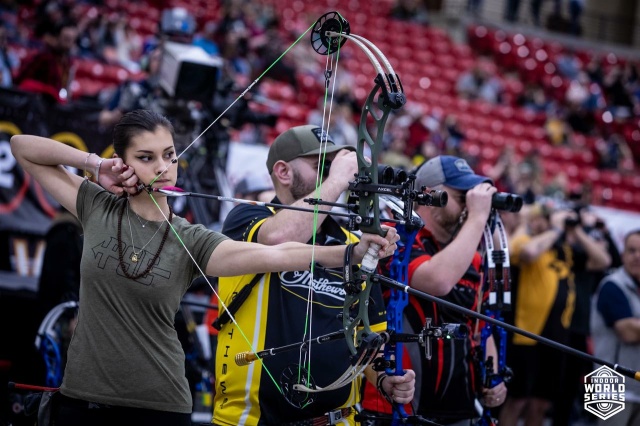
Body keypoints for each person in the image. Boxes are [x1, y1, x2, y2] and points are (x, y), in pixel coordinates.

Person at [9, 110, 399, 426]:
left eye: (169, 155)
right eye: (145, 158)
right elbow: (20, 146)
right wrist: (94, 164)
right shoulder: (96, 206)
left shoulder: (191, 239)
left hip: (158, 407)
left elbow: (275, 255)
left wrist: (348, 254)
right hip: (81, 400)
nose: (163, 167)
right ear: (122, 162)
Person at [215, 124, 415, 425]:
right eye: (319, 166)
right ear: (283, 172)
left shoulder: (354, 244)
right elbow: (279, 239)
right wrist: (335, 180)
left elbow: (366, 339)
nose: (335, 174)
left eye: (333, 167)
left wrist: (385, 380)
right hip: (253, 418)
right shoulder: (249, 217)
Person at [361, 155, 508, 425]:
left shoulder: (472, 259)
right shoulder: (393, 238)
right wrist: (477, 217)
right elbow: (437, 280)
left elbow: (480, 326)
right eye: (461, 195)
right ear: (430, 193)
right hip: (399, 406)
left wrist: (493, 378)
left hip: (461, 409)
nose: (469, 202)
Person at [499, 203, 610, 426]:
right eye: (542, 218)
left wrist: (575, 230)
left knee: (540, 403)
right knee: (517, 400)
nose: (545, 222)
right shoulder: (526, 240)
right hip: (527, 334)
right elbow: (529, 253)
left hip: (557, 336)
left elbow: (603, 261)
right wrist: (556, 230)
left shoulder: (566, 250)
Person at [591, 229, 640, 426]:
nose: (637, 256)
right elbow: (628, 332)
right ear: (622, 255)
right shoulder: (611, 285)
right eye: (632, 250)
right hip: (609, 386)